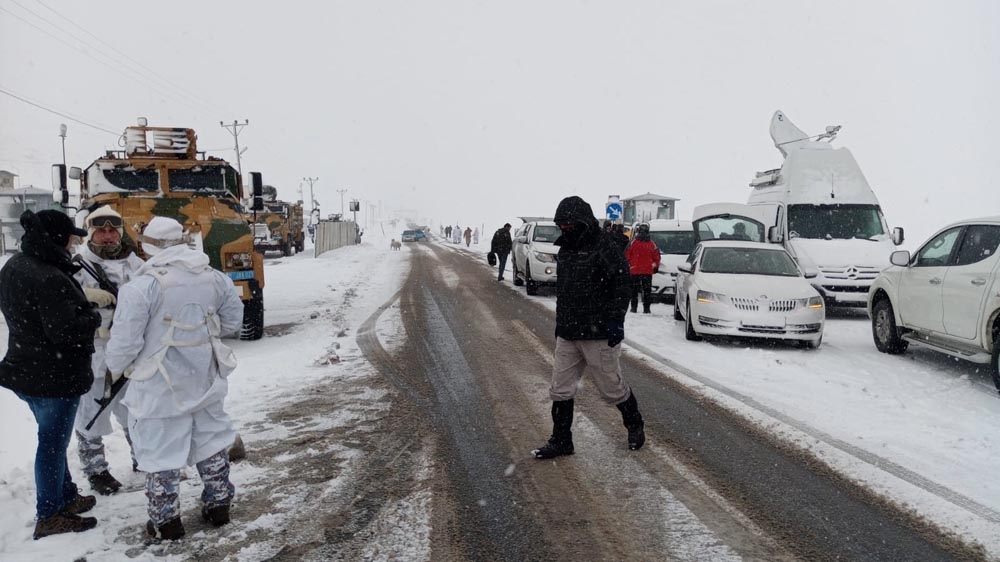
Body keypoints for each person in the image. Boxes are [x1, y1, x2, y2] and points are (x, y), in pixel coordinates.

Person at [104, 217, 244, 541]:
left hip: (158, 386)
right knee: (211, 442)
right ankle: (219, 505)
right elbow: (234, 320)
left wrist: (115, 369)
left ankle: (166, 523)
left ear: (148, 244)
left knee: (161, 453)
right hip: (206, 380)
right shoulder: (214, 278)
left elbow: (125, 344)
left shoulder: (142, 287)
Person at [0, 210, 105, 539]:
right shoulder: (47, 275)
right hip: (53, 378)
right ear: (57, 238)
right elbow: (65, 332)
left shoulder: (16, 265)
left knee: (52, 440)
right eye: (71, 237)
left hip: (26, 369)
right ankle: (49, 514)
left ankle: (66, 497)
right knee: (52, 445)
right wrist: (92, 316)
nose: (74, 242)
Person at [532, 197, 644, 459]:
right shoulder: (566, 248)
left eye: (570, 225)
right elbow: (565, 290)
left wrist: (616, 320)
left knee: (611, 388)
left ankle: (635, 423)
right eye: (562, 226)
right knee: (560, 388)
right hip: (569, 332)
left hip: (600, 332)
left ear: (582, 222)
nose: (566, 230)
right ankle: (561, 440)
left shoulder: (605, 246)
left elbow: (622, 284)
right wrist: (561, 324)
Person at [72, 206, 146, 495]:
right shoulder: (78, 266)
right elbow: (62, 303)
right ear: (91, 232)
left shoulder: (136, 264)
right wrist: (83, 297)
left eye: (112, 230)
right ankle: (96, 471)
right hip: (95, 351)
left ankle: (144, 459)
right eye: (100, 230)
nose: (107, 235)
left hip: (130, 352)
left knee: (136, 410)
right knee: (90, 412)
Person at [625, 224, 661, 314]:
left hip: (635, 270)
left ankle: (634, 307)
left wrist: (629, 264)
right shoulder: (652, 243)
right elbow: (656, 256)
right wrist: (655, 266)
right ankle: (646, 308)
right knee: (647, 290)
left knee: (634, 290)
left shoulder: (633, 242)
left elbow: (627, 255)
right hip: (647, 271)